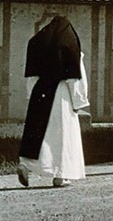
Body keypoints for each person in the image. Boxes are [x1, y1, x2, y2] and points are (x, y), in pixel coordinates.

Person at [17, 16, 89, 188]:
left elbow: (32, 77)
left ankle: (25, 164)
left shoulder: (38, 45)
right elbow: (75, 78)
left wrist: (32, 97)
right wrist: (79, 101)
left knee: (37, 133)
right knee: (62, 135)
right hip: (62, 94)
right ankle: (61, 176)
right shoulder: (70, 45)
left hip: (40, 92)